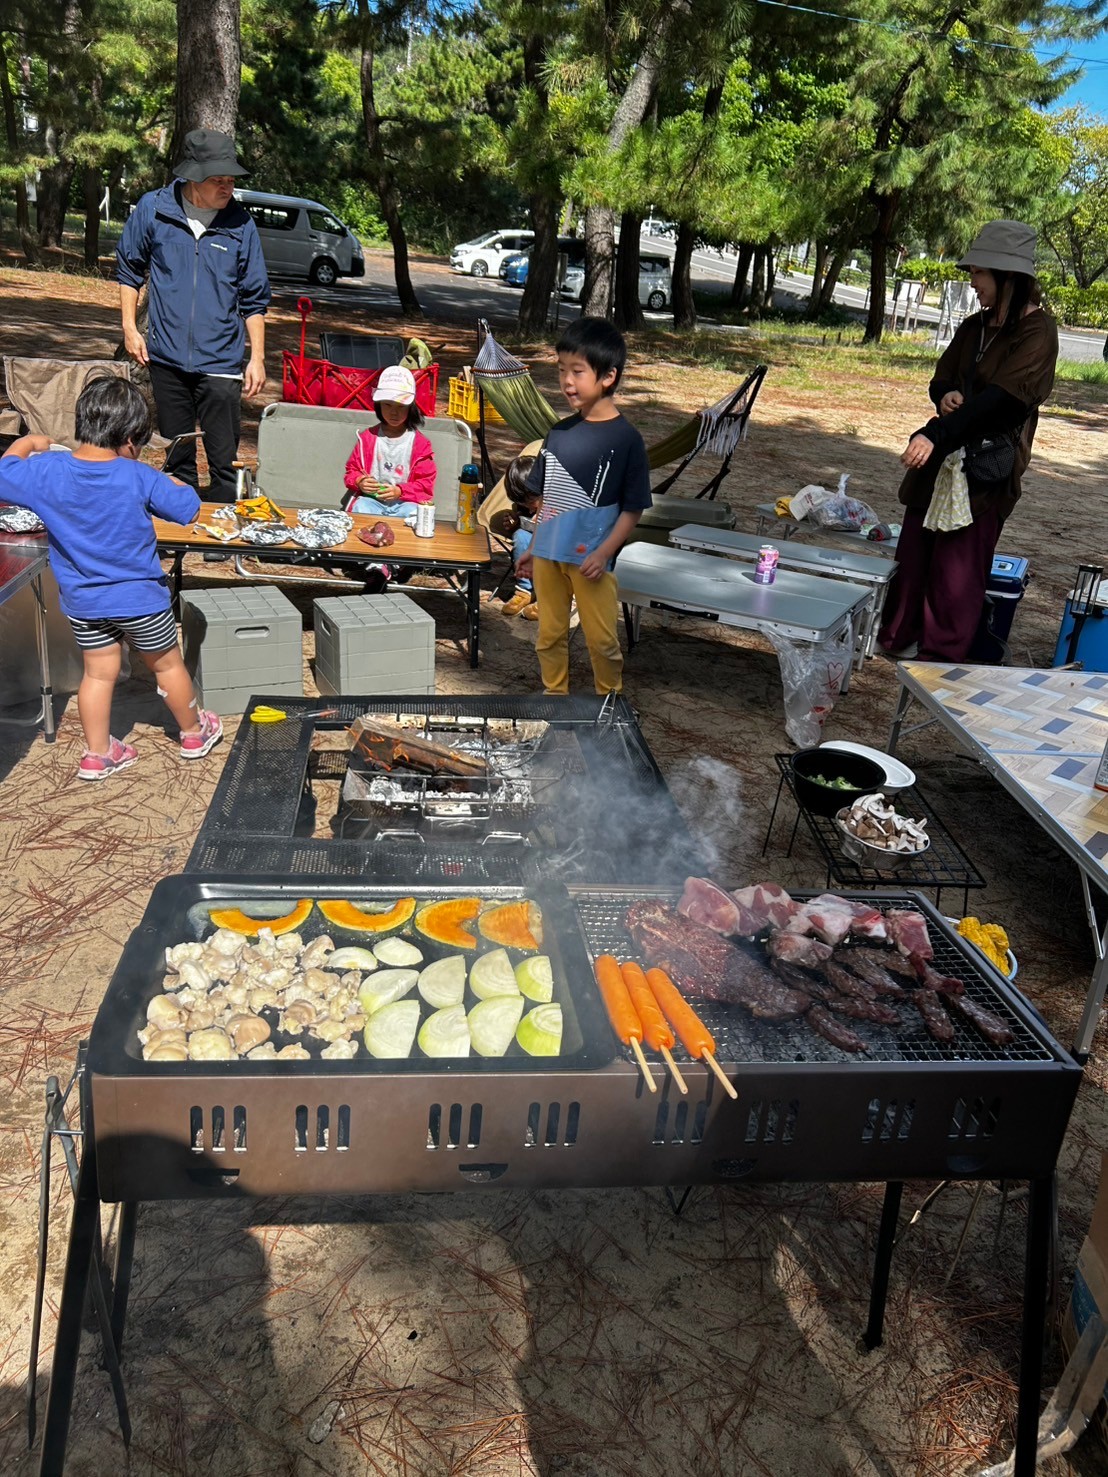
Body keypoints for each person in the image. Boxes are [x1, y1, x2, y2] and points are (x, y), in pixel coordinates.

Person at [0, 377, 223, 780]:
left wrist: (30, 441)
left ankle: (98, 754)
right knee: (167, 665)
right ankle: (193, 732)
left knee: (98, 673)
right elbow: (188, 509)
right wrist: (175, 482)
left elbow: (5, 472)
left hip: (84, 602)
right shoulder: (139, 476)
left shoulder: (47, 470)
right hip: (141, 600)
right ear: (132, 439)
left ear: (83, 421)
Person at [878, 220, 1058, 662]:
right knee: (915, 549)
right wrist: (945, 397)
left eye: (979, 272)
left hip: (985, 464)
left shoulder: (1039, 332)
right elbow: (941, 378)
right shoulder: (974, 326)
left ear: (1008, 277)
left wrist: (934, 432)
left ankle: (939, 658)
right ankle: (897, 639)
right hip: (944, 453)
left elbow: (1001, 402)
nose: (972, 281)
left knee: (958, 567)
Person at [116, 128, 270, 499]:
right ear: (192, 177)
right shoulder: (154, 210)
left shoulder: (240, 225)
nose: (227, 187)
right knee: (178, 457)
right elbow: (129, 271)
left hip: (220, 362)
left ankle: (219, 537)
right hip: (166, 359)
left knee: (223, 458)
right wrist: (129, 329)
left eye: (231, 179)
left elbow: (254, 298)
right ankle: (182, 529)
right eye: (219, 179)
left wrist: (258, 358)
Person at [517, 317, 651, 694]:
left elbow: (633, 508)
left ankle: (609, 702)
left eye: (577, 371)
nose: (567, 382)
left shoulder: (627, 440)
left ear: (608, 376)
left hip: (592, 561)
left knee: (602, 641)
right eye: (561, 371)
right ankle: (554, 698)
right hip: (548, 556)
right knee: (549, 635)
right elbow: (547, 499)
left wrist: (605, 551)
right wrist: (532, 547)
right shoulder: (558, 433)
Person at [342, 365, 436, 519]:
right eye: (387, 404)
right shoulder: (367, 438)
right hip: (372, 502)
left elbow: (425, 484)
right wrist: (360, 481)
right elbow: (352, 470)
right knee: (360, 507)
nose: (394, 412)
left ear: (410, 408)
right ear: (378, 405)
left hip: (405, 502)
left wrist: (400, 491)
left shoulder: (420, 445)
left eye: (401, 406)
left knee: (417, 514)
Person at [490, 448, 540, 617]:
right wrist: (515, 523)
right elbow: (524, 522)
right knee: (520, 536)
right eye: (522, 503)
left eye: (531, 501)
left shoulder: (560, 499)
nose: (528, 506)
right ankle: (525, 590)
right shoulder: (526, 505)